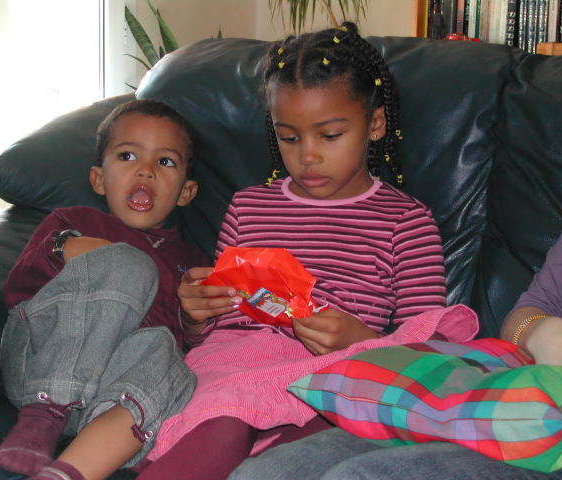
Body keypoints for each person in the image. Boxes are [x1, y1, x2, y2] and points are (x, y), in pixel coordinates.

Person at [134, 22, 478, 480]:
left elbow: (426, 347)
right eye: (290, 137)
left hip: (333, 376)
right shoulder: (248, 207)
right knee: (224, 417)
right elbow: (213, 329)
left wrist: (360, 339)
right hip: (236, 368)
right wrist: (196, 316)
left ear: (375, 124)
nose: (308, 156)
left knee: (324, 434)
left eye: (329, 135)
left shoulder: (405, 221)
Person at [229, 232, 562, 480]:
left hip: (541, 433)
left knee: (359, 476)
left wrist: (364, 339)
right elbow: (531, 309)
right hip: (520, 403)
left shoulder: (405, 226)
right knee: (269, 472)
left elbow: (423, 324)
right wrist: (540, 332)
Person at [0, 99, 210, 480]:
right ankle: (44, 415)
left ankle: (68, 473)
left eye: (164, 161)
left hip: (110, 396)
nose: (145, 170)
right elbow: (21, 288)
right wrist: (67, 247)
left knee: (164, 350)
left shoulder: (191, 262)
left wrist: (194, 321)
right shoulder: (74, 222)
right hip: (40, 367)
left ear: (185, 192)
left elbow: (194, 344)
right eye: (127, 156)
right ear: (98, 179)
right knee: (130, 264)